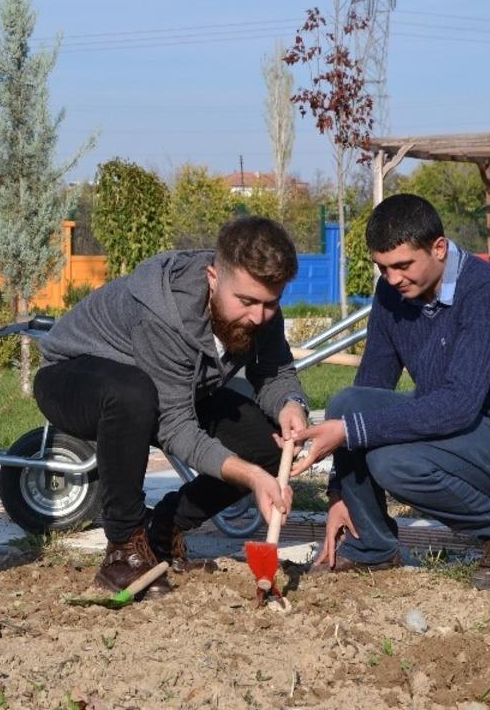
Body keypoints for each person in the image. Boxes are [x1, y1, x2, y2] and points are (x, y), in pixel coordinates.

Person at [292, 194, 490, 589]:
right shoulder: (391, 295)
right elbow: (371, 387)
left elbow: (458, 405)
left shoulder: (486, 293)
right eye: (383, 268)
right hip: (458, 435)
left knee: (391, 461)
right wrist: (339, 494)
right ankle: (372, 547)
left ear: (439, 248)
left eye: (403, 265)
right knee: (347, 402)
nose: (393, 278)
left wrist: (349, 433)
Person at [36, 216, 308, 596]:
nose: (258, 316)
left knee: (264, 447)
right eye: (246, 302)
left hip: (169, 389)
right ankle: (123, 550)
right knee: (131, 392)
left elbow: (275, 371)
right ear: (214, 277)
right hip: (72, 380)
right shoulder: (164, 315)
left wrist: (290, 405)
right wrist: (252, 479)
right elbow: (176, 427)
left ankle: (163, 530)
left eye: (270, 304)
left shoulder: (260, 312)